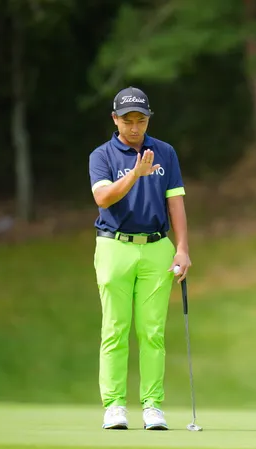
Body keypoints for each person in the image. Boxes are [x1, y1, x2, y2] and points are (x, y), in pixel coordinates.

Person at [88, 86, 191, 430]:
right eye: (128, 120)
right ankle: (115, 405)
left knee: (152, 331)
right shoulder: (102, 156)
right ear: (115, 119)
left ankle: (152, 406)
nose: (134, 127)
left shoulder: (166, 152)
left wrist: (182, 247)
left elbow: (175, 202)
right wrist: (135, 173)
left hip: (157, 246)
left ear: (148, 120)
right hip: (114, 245)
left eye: (141, 120)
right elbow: (103, 198)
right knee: (115, 329)